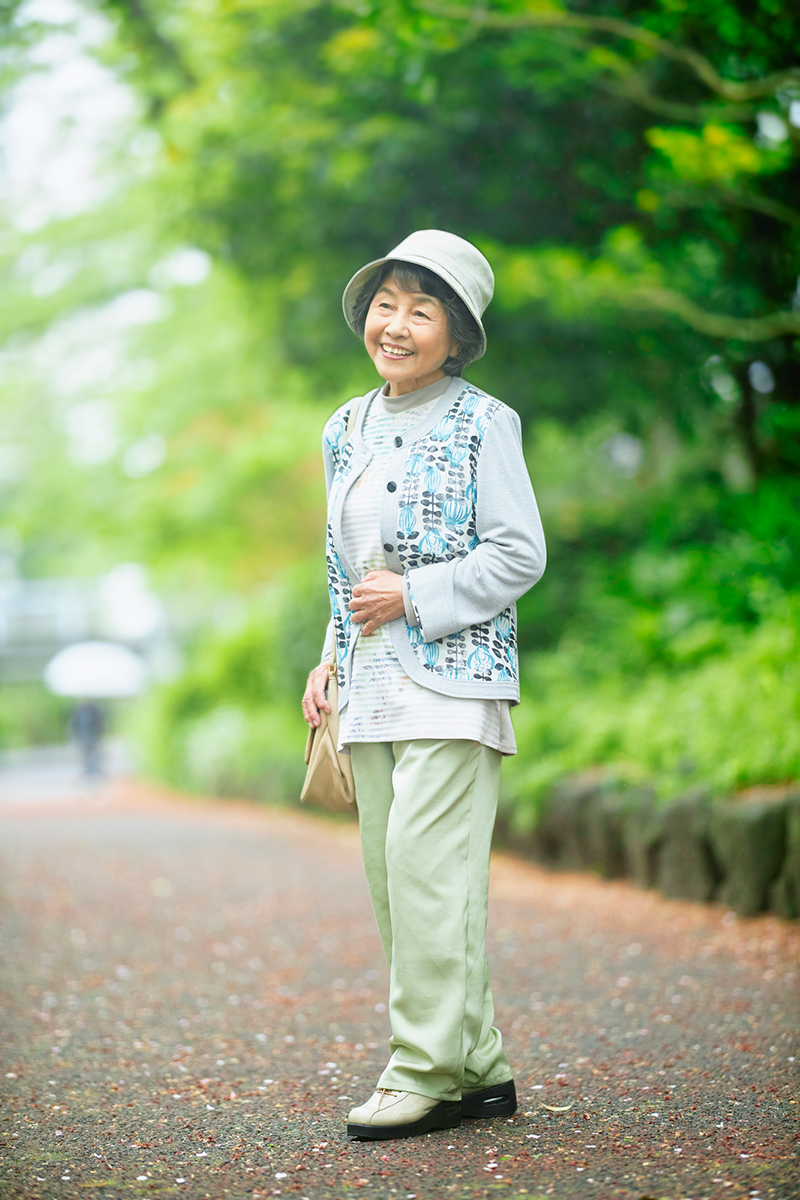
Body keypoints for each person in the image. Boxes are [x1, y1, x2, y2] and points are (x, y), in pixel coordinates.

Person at [302, 229, 546, 1141]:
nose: (395, 324)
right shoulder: (344, 427)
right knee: (395, 881)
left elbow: (519, 553)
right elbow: (341, 566)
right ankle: (479, 1066)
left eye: (422, 308)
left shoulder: (486, 421)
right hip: (369, 688)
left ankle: (424, 1072)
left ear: (457, 333)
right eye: (386, 303)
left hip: (456, 678)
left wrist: (416, 595)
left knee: (427, 873)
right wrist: (329, 655)